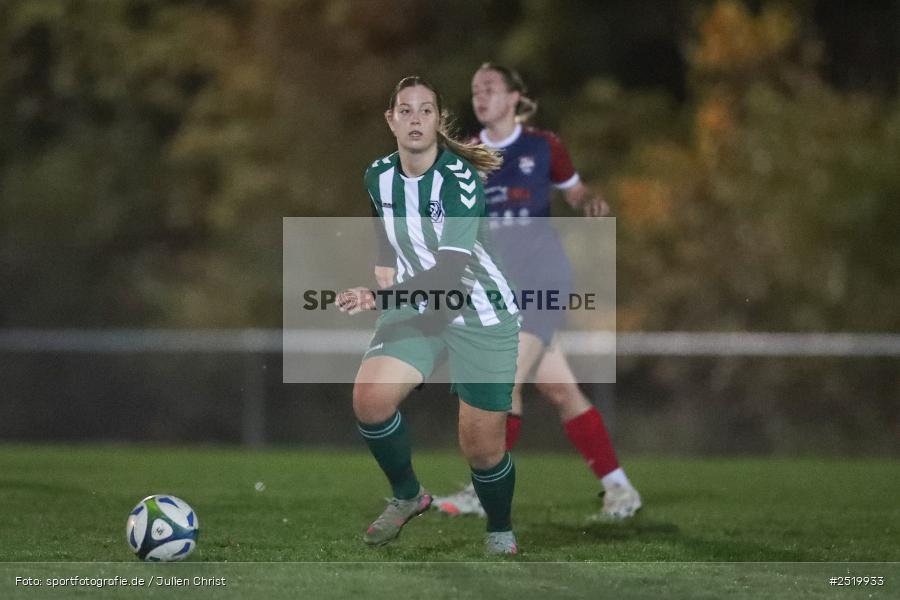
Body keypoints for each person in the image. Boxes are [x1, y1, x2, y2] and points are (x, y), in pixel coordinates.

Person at [430, 63, 642, 521]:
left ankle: (484, 490)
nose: (480, 96)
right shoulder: (468, 152)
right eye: (474, 90)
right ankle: (620, 488)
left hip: (542, 279)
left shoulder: (543, 147)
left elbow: (576, 191)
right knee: (561, 390)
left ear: (513, 97)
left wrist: (591, 203)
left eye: (489, 88)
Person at [338, 75, 522, 555]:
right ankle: (408, 496)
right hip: (418, 309)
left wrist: (380, 298)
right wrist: (384, 258)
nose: (415, 119)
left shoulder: (459, 181)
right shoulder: (376, 174)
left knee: (481, 450)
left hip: (479, 312)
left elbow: (448, 278)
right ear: (390, 120)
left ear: (438, 120)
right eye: (405, 110)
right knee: (370, 399)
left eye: (425, 110)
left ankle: (499, 530)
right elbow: (385, 216)